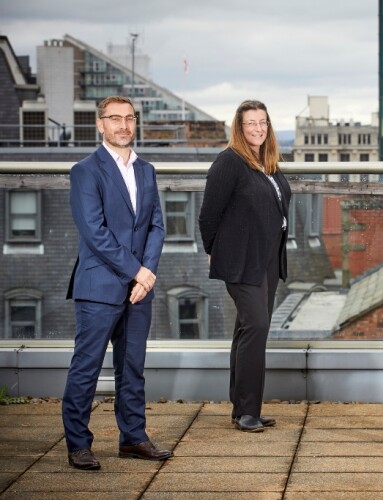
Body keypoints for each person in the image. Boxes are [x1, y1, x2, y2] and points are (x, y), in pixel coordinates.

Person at [63, 95, 172, 470]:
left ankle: (133, 438)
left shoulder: (147, 170)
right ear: (100, 124)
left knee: (133, 367)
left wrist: (148, 273)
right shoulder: (85, 171)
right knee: (86, 368)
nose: (123, 125)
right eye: (114, 118)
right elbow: (95, 232)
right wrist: (137, 271)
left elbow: (157, 225)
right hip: (99, 287)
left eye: (129, 118)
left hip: (140, 289)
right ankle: (78, 444)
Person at [199, 100, 290, 433]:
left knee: (248, 330)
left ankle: (244, 409)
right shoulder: (229, 162)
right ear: (239, 127)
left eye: (263, 122)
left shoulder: (267, 163)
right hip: (240, 259)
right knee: (257, 326)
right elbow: (208, 214)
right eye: (250, 123)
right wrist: (214, 250)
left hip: (266, 258)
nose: (258, 128)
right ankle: (247, 411)